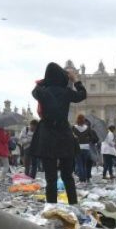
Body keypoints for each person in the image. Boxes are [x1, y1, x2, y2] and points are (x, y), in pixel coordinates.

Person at [30, 62, 85, 204]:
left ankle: (52, 208)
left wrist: (45, 80)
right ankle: (73, 204)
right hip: (64, 136)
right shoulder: (66, 92)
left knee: (51, 178)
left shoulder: (42, 92)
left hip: (47, 136)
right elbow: (82, 95)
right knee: (68, 176)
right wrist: (75, 80)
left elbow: (35, 90)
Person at [72, 114, 98, 183]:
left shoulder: (74, 127)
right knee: (84, 164)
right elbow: (92, 137)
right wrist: (87, 139)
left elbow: (71, 137)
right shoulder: (87, 128)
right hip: (86, 147)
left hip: (77, 147)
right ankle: (85, 177)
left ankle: (82, 178)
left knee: (79, 163)